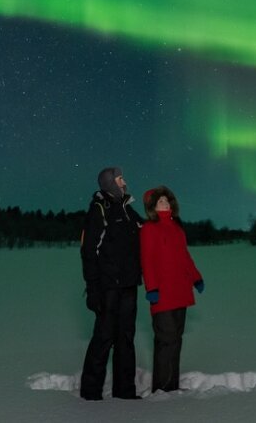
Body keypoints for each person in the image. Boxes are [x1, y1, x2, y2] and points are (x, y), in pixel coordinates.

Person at [79, 166, 143, 401]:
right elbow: (89, 251)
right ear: (110, 183)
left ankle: (125, 391)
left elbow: (145, 233)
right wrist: (93, 289)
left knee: (126, 338)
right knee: (104, 337)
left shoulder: (127, 209)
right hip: (108, 288)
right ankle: (90, 392)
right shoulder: (99, 209)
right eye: (120, 179)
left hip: (128, 285)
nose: (124, 182)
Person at [139, 185, 204, 394]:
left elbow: (185, 257)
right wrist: (152, 287)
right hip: (163, 294)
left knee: (176, 340)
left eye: (167, 201)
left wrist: (196, 277)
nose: (165, 204)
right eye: (160, 201)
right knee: (166, 340)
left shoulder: (177, 228)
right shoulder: (149, 229)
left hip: (180, 291)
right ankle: (162, 389)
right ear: (152, 206)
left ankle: (172, 386)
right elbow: (147, 260)